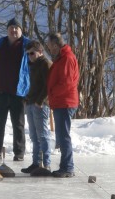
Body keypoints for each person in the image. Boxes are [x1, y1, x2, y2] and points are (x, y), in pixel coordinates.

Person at [0, 18, 31, 161]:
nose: (14, 30)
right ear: (7, 30)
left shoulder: (27, 45)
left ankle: (19, 153)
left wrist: (30, 87)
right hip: (1, 91)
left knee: (18, 124)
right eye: (11, 27)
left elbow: (36, 65)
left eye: (16, 28)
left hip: (19, 92)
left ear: (21, 30)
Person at [46, 33, 79, 178]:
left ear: (55, 45)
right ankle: (65, 166)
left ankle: (68, 167)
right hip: (61, 101)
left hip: (65, 102)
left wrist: (51, 94)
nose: (49, 49)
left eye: (49, 46)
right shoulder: (61, 58)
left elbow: (66, 83)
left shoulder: (66, 58)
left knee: (64, 136)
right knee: (61, 135)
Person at [21, 41, 53, 174]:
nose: (30, 56)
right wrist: (26, 99)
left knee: (43, 135)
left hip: (40, 104)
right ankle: (36, 162)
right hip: (31, 102)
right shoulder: (31, 65)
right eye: (28, 54)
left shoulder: (45, 63)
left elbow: (48, 86)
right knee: (34, 136)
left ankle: (46, 163)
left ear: (40, 51)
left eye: (32, 53)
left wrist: (40, 101)